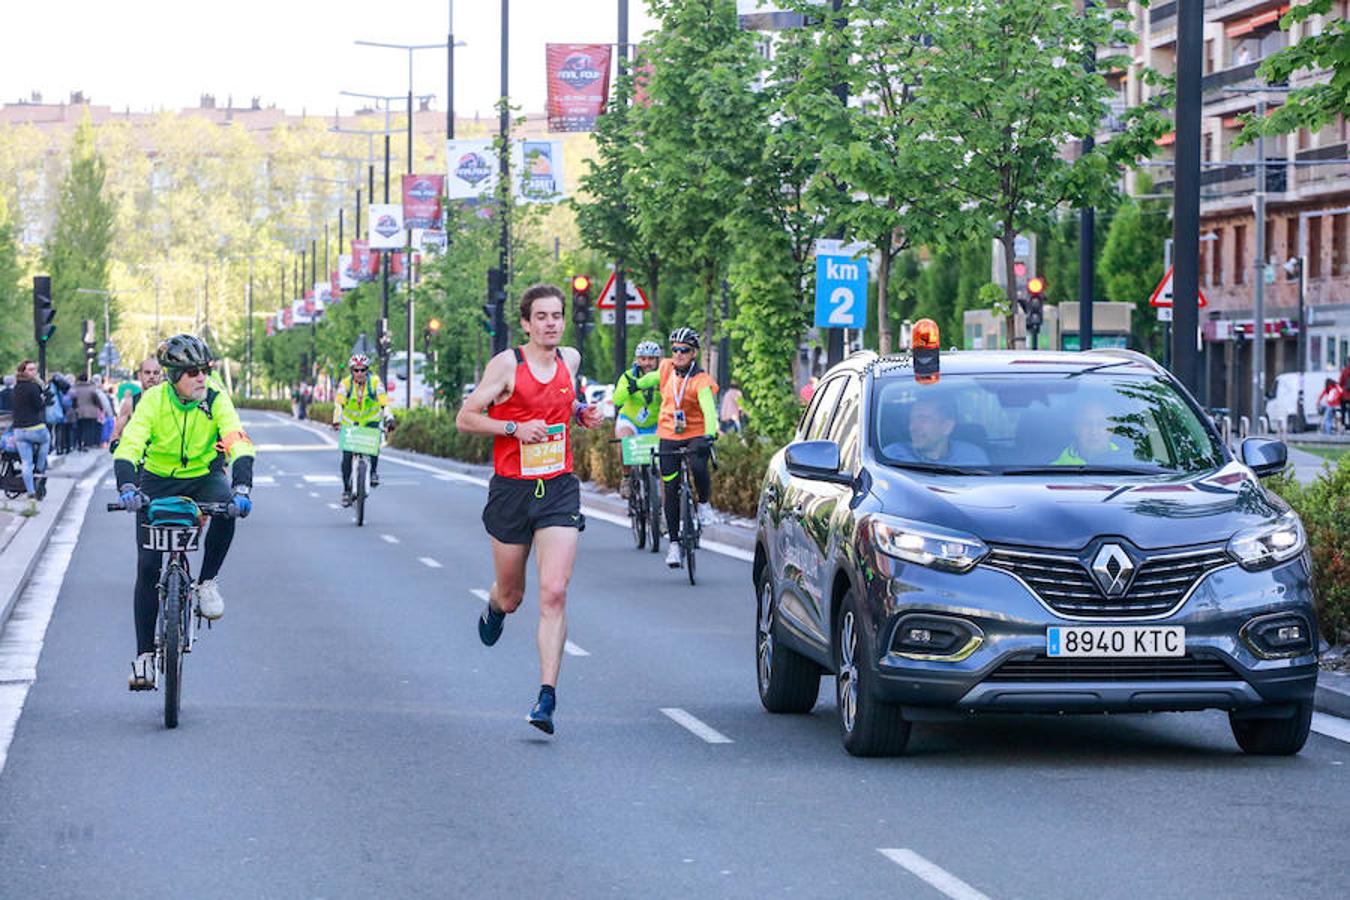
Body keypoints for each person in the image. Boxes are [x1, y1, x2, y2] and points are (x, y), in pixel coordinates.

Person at [455, 284, 603, 734]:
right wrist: (514, 427)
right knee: (514, 595)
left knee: (554, 591)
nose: (551, 323)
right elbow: (466, 417)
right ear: (525, 323)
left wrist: (580, 412)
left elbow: (562, 402)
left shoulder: (570, 360)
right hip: (512, 491)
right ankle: (495, 606)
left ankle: (546, 698)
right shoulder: (507, 365)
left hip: (558, 487)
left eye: (557, 316)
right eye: (541, 317)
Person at [112, 334, 256, 690]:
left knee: (226, 511)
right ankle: (145, 657)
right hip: (157, 479)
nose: (201, 378)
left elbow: (237, 438)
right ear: (174, 375)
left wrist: (242, 487)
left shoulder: (215, 397)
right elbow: (130, 444)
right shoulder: (153, 400)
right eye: (192, 372)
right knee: (147, 567)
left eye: (205, 370)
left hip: (203, 476)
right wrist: (128, 486)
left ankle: (207, 582)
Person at [630, 327, 720, 568]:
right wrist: (636, 383)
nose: (679, 354)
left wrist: (710, 434)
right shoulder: (666, 368)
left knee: (699, 464)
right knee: (670, 488)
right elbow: (651, 379)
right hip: (668, 432)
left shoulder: (701, 380)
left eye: (685, 350)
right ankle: (674, 545)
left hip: (695, 433)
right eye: (676, 349)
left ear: (694, 354)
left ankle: (703, 505)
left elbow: (709, 409)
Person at [331, 353, 394, 505]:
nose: (359, 373)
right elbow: (339, 403)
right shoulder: (345, 384)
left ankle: (373, 472)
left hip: (370, 421)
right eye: (356, 370)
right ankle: (346, 490)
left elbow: (384, 402)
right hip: (350, 423)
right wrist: (336, 421)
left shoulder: (375, 382)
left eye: (362, 370)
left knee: (374, 443)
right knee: (346, 457)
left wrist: (389, 418)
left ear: (367, 370)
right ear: (351, 371)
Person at [882, 395, 989, 466]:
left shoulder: (971, 457)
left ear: (947, 427)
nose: (912, 428)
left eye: (923, 419)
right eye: (911, 420)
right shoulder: (893, 456)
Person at [10, 361, 51, 506]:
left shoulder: (16, 387)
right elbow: (38, 406)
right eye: (31, 369)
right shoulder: (33, 387)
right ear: (24, 371)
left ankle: (30, 493)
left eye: (35, 369)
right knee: (46, 440)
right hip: (35, 427)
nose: (34, 372)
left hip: (19, 430)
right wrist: (43, 397)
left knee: (26, 462)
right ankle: (39, 469)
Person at [1052, 402, 1133, 466]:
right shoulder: (1052, 471)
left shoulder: (1129, 463)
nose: (1094, 431)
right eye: (1086, 423)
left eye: (1101, 424)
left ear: (1112, 427)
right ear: (1075, 428)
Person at [109, 357, 163, 454]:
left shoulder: (169, 401)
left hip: (162, 461)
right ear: (139, 375)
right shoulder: (130, 403)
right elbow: (116, 433)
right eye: (147, 372)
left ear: (160, 376)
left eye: (156, 373)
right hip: (139, 462)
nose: (151, 376)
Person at [71, 373, 102, 451]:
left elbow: (73, 400)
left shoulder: (75, 388)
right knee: (88, 428)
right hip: (91, 412)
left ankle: (79, 444)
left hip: (79, 411)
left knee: (79, 428)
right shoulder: (91, 388)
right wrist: (100, 407)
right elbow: (96, 399)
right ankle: (86, 444)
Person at [1338, 360, 1350, 429]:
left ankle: (1343, 426)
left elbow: (1340, 382)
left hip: (1344, 395)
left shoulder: (1345, 370)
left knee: (1343, 411)